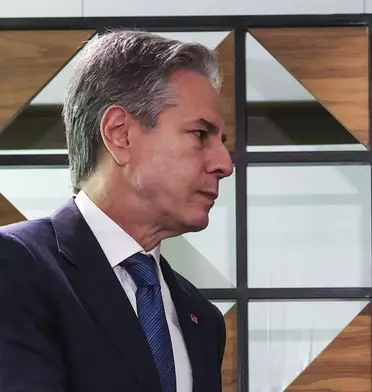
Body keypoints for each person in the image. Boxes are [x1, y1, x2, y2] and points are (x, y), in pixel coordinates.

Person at [0, 30, 233, 392]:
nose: (224, 163)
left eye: (222, 142)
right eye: (201, 134)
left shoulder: (203, 318)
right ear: (119, 133)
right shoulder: (15, 267)